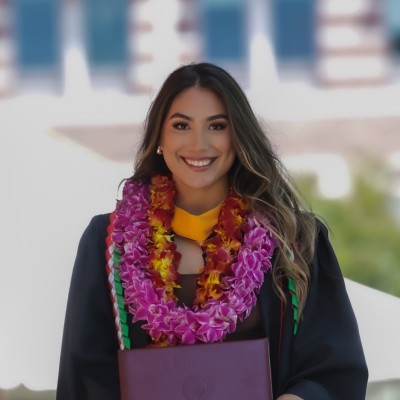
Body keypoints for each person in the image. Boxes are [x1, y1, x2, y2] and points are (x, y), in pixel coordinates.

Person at [57, 62, 368, 399]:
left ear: (238, 137)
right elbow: (85, 376)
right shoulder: (109, 243)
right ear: (159, 137)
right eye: (181, 125)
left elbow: (334, 370)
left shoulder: (294, 240)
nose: (199, 143)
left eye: (217, 126)